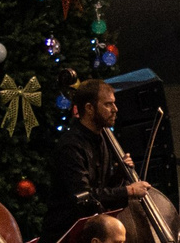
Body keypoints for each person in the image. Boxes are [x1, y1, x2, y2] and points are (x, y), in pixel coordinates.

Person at [51, 78, 162, 234]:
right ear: (89, 108)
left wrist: (119, 175)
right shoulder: (71, 146)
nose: (115, 109)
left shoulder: (103, 137)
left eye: (114, 103)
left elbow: (101, 189)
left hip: (93, 226)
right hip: (70, 231)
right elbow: (84, 197)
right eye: (108, 104)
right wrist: (128, 191)